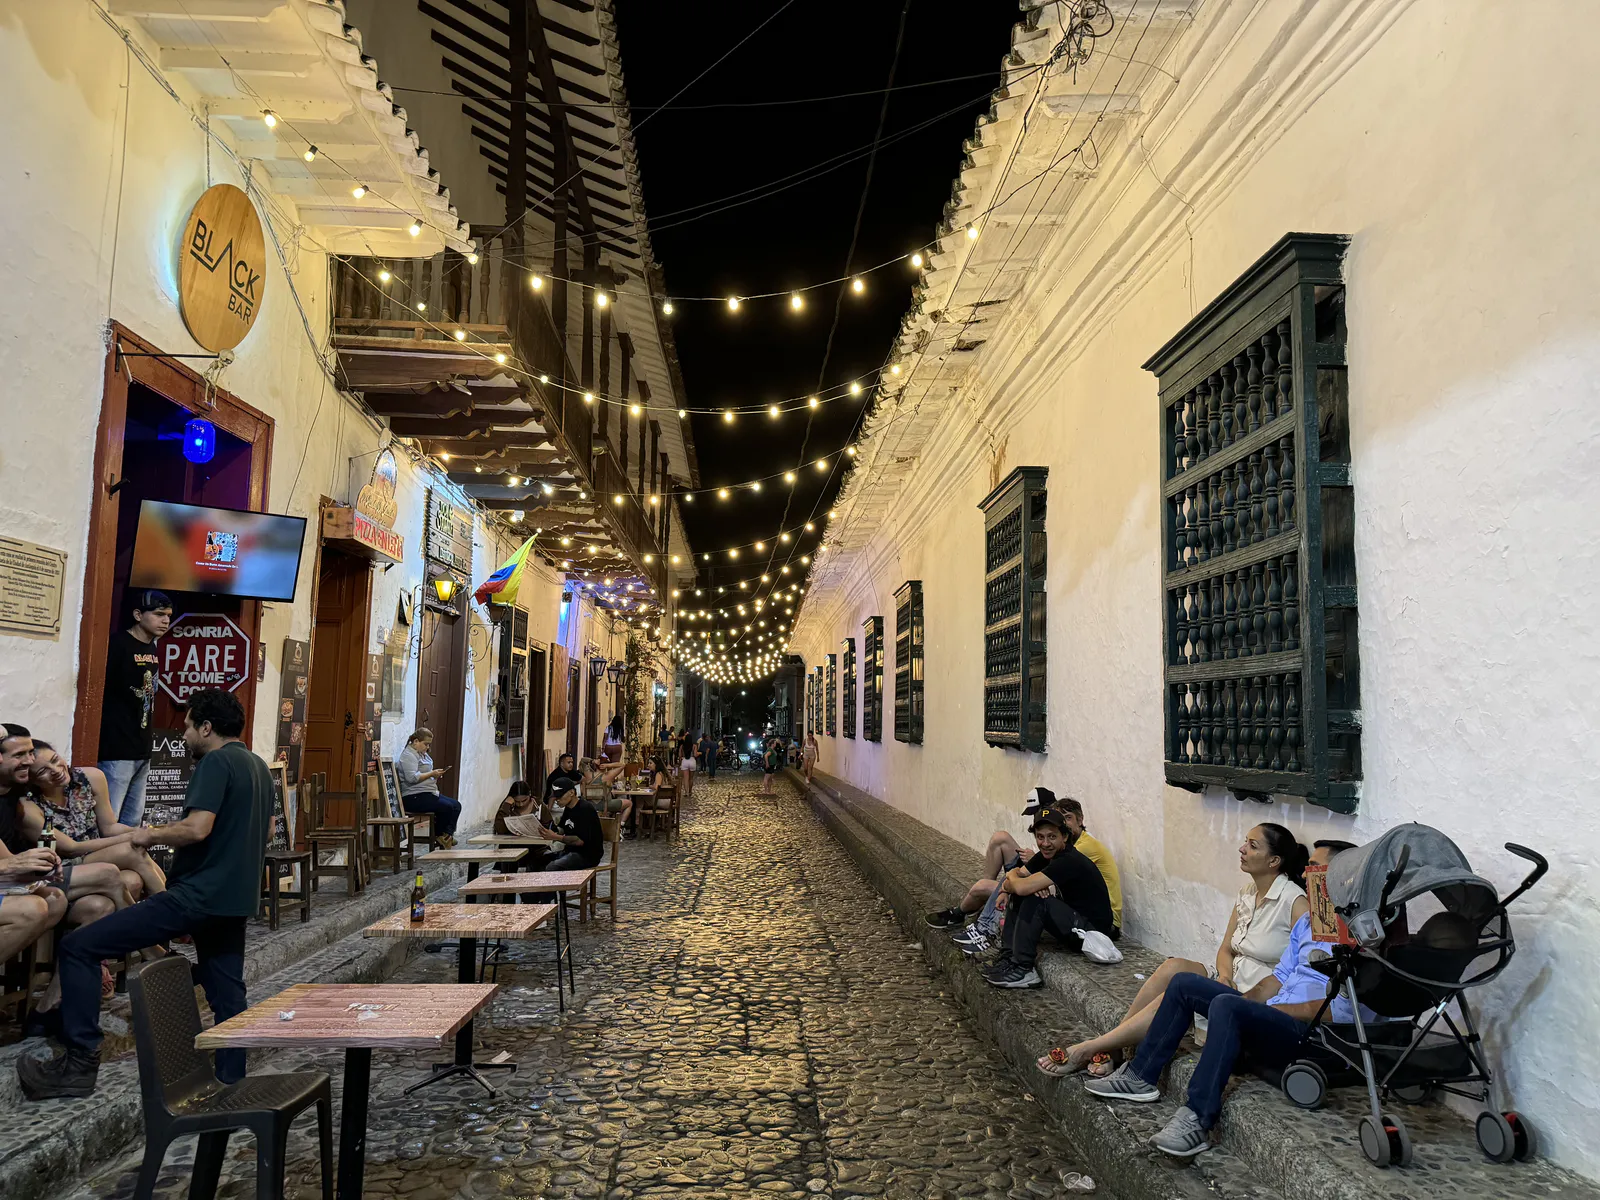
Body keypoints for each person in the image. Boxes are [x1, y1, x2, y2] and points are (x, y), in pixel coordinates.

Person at [20, 690, 272, 1099]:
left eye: (188, 726)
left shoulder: (217, 761)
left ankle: (79, 1061)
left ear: (206, 727)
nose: (185, 735)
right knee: (228, 993)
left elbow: (196, 828)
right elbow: (251, 831)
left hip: (196, 895)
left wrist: (148, 834)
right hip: (233, 899)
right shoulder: (257, 765)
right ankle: (231, 1080)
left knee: (80, 948)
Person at [1084, 840, 1362, 1159]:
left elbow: (1344, 1008)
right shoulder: (1311, 923)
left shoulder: (1362, 934)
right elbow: (1280, 977)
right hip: (1277, 1015)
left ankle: (1197, 1119)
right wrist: (1247, 1000)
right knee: (1186, 983)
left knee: (1228, 1006)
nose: (1306, 873)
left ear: (1343, 877)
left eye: (1316, 868)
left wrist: (1263, 1009)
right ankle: (1140, 1076)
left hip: (1312, 1031)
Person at [1039, 822, 1307, 1077]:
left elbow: (1298, 972)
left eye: (1252, 845)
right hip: (1232, 979)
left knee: (1176, 991)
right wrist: (1224, 978)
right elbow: (1226, 948)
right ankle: (1114, 1044)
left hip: (1255, 996)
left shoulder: (1295, 902)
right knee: (1174, 966)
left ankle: (1093, 1047)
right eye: (1244, 842)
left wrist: (1242, 991)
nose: (1242, 849)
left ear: (1274, 861)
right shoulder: (1248, 892)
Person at [981, 803, 1119, 989]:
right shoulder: (1047, 854)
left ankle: (1024, 968)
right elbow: (1016, 878)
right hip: (1073, 922)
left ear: (1065, 837)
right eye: (1040, 837)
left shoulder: (1069, 860)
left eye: (1052, 837)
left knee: (1034, 897)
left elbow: (1020, 884)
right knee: (1025, 893)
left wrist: (1014, 881)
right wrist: (1008, 887)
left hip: (1093, 935)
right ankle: (1009, 958)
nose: (1045, 843)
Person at [26, 744, 167, 900]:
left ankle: (159, 907)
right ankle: (169, 906)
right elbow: (72, 848)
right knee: (131, 849)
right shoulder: (29, 805)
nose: (56, 770)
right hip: (65, 865)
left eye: (54, 759)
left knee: (131, 880)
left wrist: (148, 833)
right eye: (43, 771)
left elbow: (109, 827)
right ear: (32, 779)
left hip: (98, 855)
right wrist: (132, 837)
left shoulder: (89, 778)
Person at [97, 590, 171, 826]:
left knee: (133, 822)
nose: (166, 620)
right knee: (110, 822)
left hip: (142, 748)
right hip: (116, 749)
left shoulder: (152, 648)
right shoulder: (117, 645)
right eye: (159, 614)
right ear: (138, 614)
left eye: (168, 615)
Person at [0, 726, 68, 967]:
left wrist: (43, 864)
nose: (29, 761)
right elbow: (7, 863)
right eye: (19, 755)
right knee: (33, 908)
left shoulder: (18, 792)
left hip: (7, 881)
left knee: (56, 899)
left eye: (30, 753)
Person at [397, 728, 459, 849]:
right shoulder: (408, 755)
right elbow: (412, 778)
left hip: (427, 791)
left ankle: (446, 836)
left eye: (429, 744)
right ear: (416, 741)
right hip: (414, 796)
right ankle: (439, 835)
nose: (427, 747)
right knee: (447, 807)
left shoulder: (422, 754)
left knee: (456, 805)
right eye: (425, 744)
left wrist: (435, 775)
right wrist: (431, 774)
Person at [529, 783, 604, 873]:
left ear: (571, 792)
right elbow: (562, 828)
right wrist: (546, 830)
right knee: (535, 861)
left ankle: (555, 886)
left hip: (587, 855)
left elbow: (579, 841)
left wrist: (555, 837)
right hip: (570, 851)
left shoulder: (585, 809)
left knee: (552, 867)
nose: (557, 800)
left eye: (560, 796)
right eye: (555, 797)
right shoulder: (568, 807)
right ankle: (533, 886)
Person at [677, 730, 697, 800]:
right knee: (691, 778)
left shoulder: (682, 746)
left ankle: (686, 792)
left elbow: (679, 755)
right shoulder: (694, 746)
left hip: (685, 761)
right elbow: (695, 754)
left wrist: (680, 759)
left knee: (685, 778)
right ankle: (690, 791)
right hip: (692, 761)